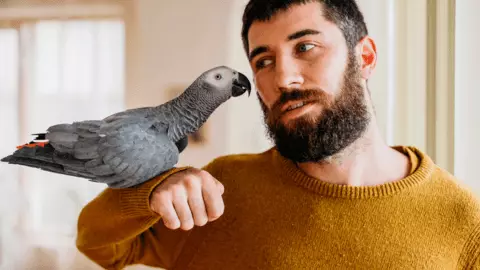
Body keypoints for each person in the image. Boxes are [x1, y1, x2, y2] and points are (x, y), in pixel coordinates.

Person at [75, 0, 480, 269]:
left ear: (365, 57)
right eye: (264, 60)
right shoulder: (219, 190)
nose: (283, 77)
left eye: (305, 47)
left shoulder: (464, 221)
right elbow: (96, 241)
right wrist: (148, 192)